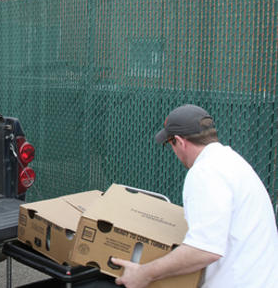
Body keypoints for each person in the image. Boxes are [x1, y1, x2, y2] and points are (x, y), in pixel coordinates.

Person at [111, 104, 278, 288]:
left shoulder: (205, 172)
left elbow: (204, 250)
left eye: (169, 144)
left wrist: (144, 274)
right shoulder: (231, 162)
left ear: (179, 142)